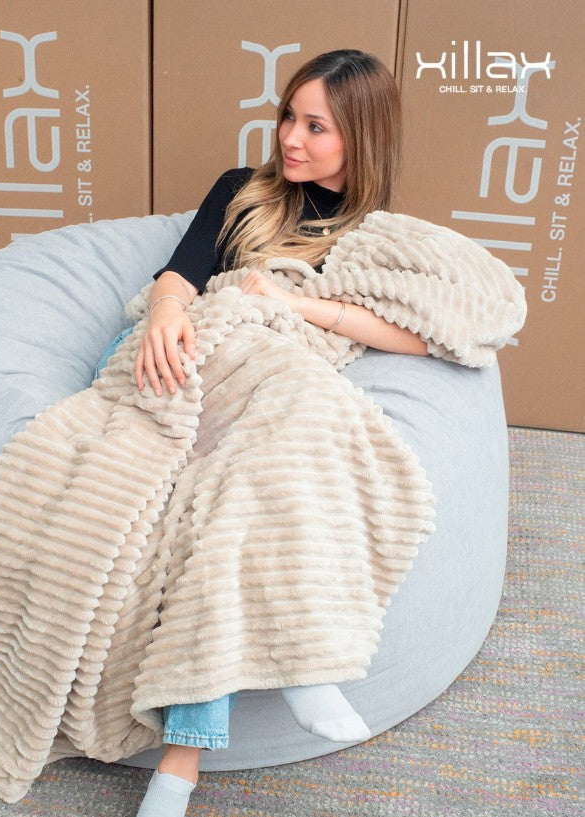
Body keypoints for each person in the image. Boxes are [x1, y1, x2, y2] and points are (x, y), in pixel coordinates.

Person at [104, 49, 429, 817]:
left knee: (231, 510)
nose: (290, 137)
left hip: (258, 388)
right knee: (277, 425)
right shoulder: (240, 190)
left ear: (360, 137)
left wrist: (296, 306)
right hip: (183, 356)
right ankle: (303, 662)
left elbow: (421, 335)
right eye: (288, 116)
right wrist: (165, 311)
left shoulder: (374, 235)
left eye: (315, 126)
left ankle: (177, 770)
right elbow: (181, 272)